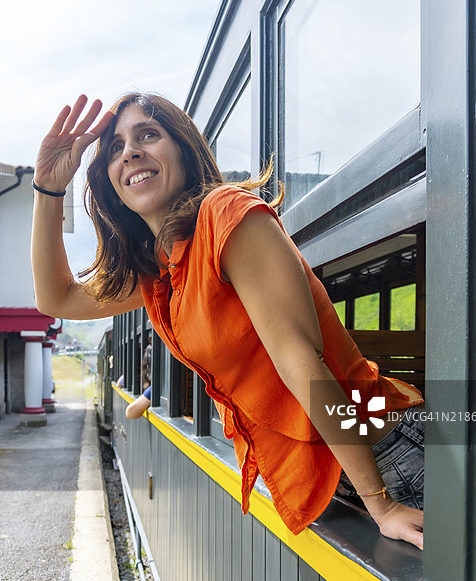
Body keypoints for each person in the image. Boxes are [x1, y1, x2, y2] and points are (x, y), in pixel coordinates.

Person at [31, 93, 424, 549]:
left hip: (388, 457)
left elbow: (301, 362)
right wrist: (48, 188)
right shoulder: (160, 269)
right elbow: (56, 298)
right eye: (115, 148)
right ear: (110, 182)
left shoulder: (226, 214)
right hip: (338, 476)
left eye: (148, 135)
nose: (131, 152)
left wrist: (382, 503)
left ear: (183, 148)